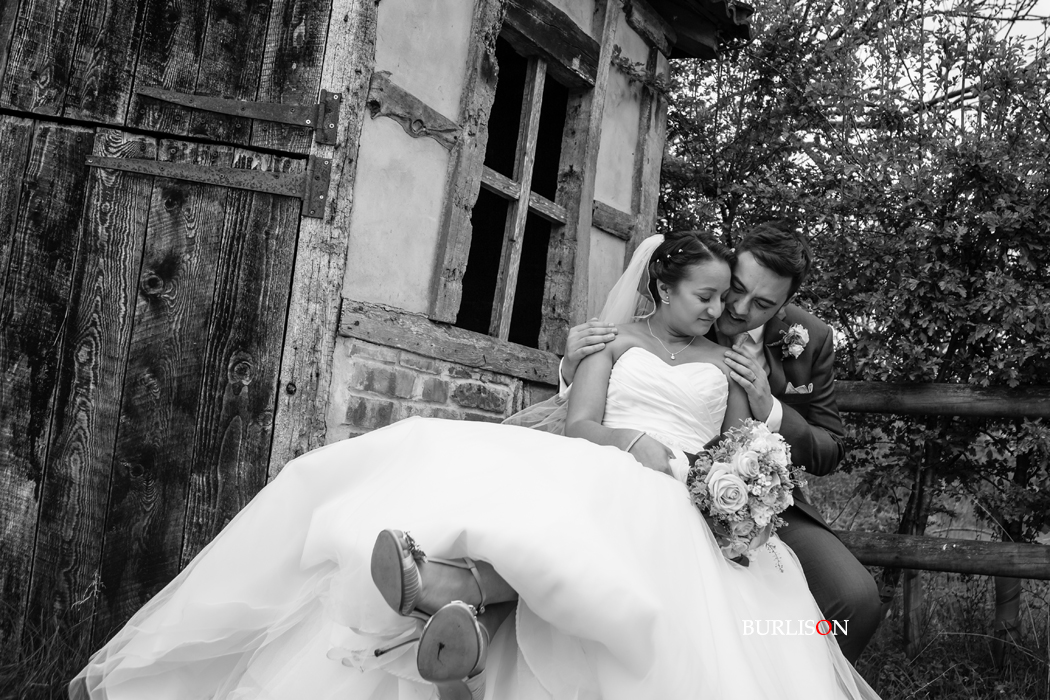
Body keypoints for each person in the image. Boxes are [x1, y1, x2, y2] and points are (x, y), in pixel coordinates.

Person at [71, 232, 880, 700]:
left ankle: (463, 601)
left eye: (754, 304)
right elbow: (586, 405)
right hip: (615, 455)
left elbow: (804, 442)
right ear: (695, 280)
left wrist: (757, 421)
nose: (733, 309)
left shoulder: (782, 345)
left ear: (781, 308)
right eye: (723, 292)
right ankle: (453, 606)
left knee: (833, 598)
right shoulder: (634, 331)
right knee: (533, 489)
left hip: (718, 485)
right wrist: (596, 396)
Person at [558, 224, 882, 663]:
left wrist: (770, 408)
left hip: (758, 494)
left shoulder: (810, 339)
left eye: (764, 304)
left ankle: (793, 673)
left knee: (854, 600)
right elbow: (608, 390)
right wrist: (571, 365)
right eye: (738, 290)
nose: (736, 309)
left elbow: (830, 448)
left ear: (786, 306)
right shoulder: (693, 294)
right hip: (648, 471)